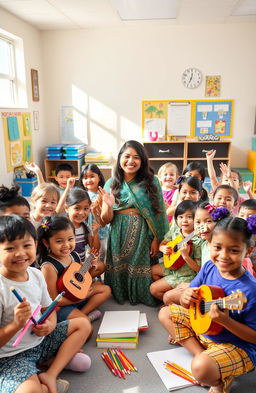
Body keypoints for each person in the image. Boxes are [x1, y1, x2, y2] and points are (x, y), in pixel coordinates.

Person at [159, 216, 256, 393]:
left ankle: (218, 378)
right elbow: (191, 297)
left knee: (200, 368)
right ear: (209, 243)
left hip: (237, 346)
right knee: (165, 313)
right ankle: (204, 355)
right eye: (217, 247)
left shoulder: (250, 290)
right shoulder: (210, 266)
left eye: (233, 250)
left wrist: (227, 321)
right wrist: (184, 297)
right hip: (207, 331)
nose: (223, 256)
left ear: (248, 251)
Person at [0, 214, 91, 393]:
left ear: (36, 244)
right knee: (31, 391)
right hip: (11, 356)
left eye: (27, 245)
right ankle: (39, 376)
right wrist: (15, 325)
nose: (20, 253)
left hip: (40, 342)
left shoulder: (36, 274)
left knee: (83, 325)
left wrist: (49, 325)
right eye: (10, 248)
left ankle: (50, 373)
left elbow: (49, 308)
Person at [96, 140, 169, 306]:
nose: (131, 161)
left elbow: (159, 213)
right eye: (127, 156)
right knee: (120, 265)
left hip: (144, 233)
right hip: (117, 233)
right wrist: (107, 205)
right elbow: (105, 220)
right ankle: (121, 294)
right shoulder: (111, 184)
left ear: (142, 161)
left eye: (136, 157)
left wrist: (156, 238)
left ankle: (141, 295)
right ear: (120, 158)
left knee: (140, 265)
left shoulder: (152, 182)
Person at [37, 215, 111, 324]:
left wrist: (89, 267)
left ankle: (83, 313)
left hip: (77, 296)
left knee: (105, 290)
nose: (66, 245)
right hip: (61, 306)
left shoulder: (74, 255)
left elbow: (81, 278)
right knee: (85, 323)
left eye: (70, 239)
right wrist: (81, 298)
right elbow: (53, 300)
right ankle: (84, 318)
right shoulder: (48, 267)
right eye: (59, 241)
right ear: (46, 243)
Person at [150, 200, 202, 301]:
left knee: (154, 289)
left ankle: (171, 299)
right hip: (171, 267)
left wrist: (186, 257)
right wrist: (162, 248)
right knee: (151, 270)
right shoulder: (175, 230)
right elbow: (163, 243)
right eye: (180, 217)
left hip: (186, 275)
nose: (184, 220)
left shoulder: (198, 240)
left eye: (189, 217)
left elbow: (199, 269)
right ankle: (170, 294)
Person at [65, 187, 102, 275]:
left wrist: (95, 233)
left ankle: (84, 285)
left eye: (86, 208)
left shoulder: (85, 227)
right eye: (77, 208)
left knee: (101, 265)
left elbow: (95, 249)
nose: (82, 213)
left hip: (80, 268)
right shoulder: (63, 227)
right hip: (65, 267)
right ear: (66, 208)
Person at [79, 163, 109, 262]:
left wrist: (98, 206)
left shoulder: (103, 194)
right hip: (86, 233)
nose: (88, 180)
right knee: (89, 258)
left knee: (101, 256)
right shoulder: (82, 195)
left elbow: (106, 215)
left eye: (92, 176)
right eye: (85, 178)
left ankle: (98, 276)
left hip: (101, 233)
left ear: (99, 177)